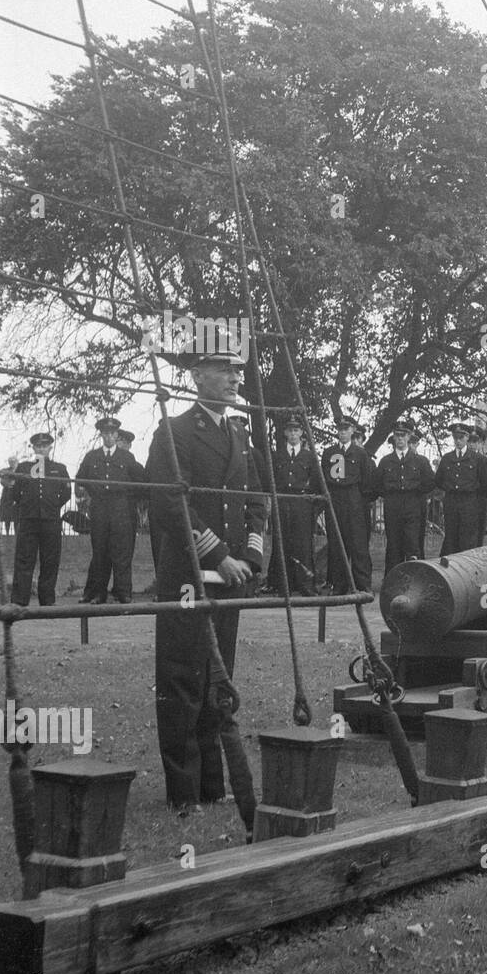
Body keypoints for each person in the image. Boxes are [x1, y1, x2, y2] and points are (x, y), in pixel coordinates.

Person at [145, 338, 266, 811]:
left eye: (238, 371)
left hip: (232, 578)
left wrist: (251, 558)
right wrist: (219, 556)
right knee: (181, 679)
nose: (237, 378)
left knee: (219, 678)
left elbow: (256, 501)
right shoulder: (173, 431)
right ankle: (183, 790)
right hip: (188, 576)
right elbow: (171, 503)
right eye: (225, 370)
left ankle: (212, 785)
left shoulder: (240, 434)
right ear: (197, 375)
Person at [76, 415, 143, 603]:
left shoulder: (127, 457)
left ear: (117, 435)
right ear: (101, 435)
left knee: (122, 552)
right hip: (99, 511)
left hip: (121, 511)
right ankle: (99, 593)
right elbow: (81, 478)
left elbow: (140, 481)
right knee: (100, 552)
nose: (109, 436)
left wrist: (127, 499)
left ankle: (123, 592)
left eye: (113, 433)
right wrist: (94, 492)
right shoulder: (92, 457)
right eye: (106, 433)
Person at [2, 432, 70, 606]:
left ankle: (47, 600)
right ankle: (19, 601)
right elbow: (15, 492)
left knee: (50, 560)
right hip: (28, 520)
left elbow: (66, 493)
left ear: (50, 448)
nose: (41, 449)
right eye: (38, 446)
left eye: (44, 446)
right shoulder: (24, 468)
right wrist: (28, 505)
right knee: (24, 559)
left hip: (51, 520)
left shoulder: (59, 468)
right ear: (33, 448)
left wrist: (52, 505)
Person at [266, 416, 320, 595]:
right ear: (285, 433)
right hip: (281, 500)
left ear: (302, 433)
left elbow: (316, 481)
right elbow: (270, 479)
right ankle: (284, 586)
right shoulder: (277, 455)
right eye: (290, 430)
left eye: (296, 430)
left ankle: (305, 585)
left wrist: (310, 500)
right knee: (282, 541)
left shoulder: (309, 456)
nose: (293, 434)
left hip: (301, 501)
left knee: (303, 543)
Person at [321, 416, 376, 591]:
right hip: (336, 499)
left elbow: (367, 481)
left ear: (352, 431)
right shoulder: (329, 452)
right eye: (340, 429)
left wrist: (361, 502)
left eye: (346, 429)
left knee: (358, 545)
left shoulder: (361, 454)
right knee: (338, 544)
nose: (343, 432)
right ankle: (339, 585)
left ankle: (362, 584)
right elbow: (323, 478)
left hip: (354, 500)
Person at [377, 420, 435, 569]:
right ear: (393, 437)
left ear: (409, 437)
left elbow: (429, 483)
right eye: (397, 435)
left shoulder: (420, 461)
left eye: (403, 435)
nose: (400, 438)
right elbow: (377, 485)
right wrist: (392, 494)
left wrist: (415, 492)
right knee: (393, 546)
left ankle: (416, 582)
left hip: (413, 505)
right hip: (393, 506)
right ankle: (391, 582)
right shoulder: (385, 462)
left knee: (413, 545)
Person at [436, 420, 487, 553]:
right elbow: (439, 480)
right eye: (455, 437)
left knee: (468, 539)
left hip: (470, 503)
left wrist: (474, 493)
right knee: (451, 537)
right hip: (451, 502)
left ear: (467, 437)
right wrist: (450, 488)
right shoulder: (447, 458)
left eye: (461, 437)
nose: (458, 441)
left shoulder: (477, 459)